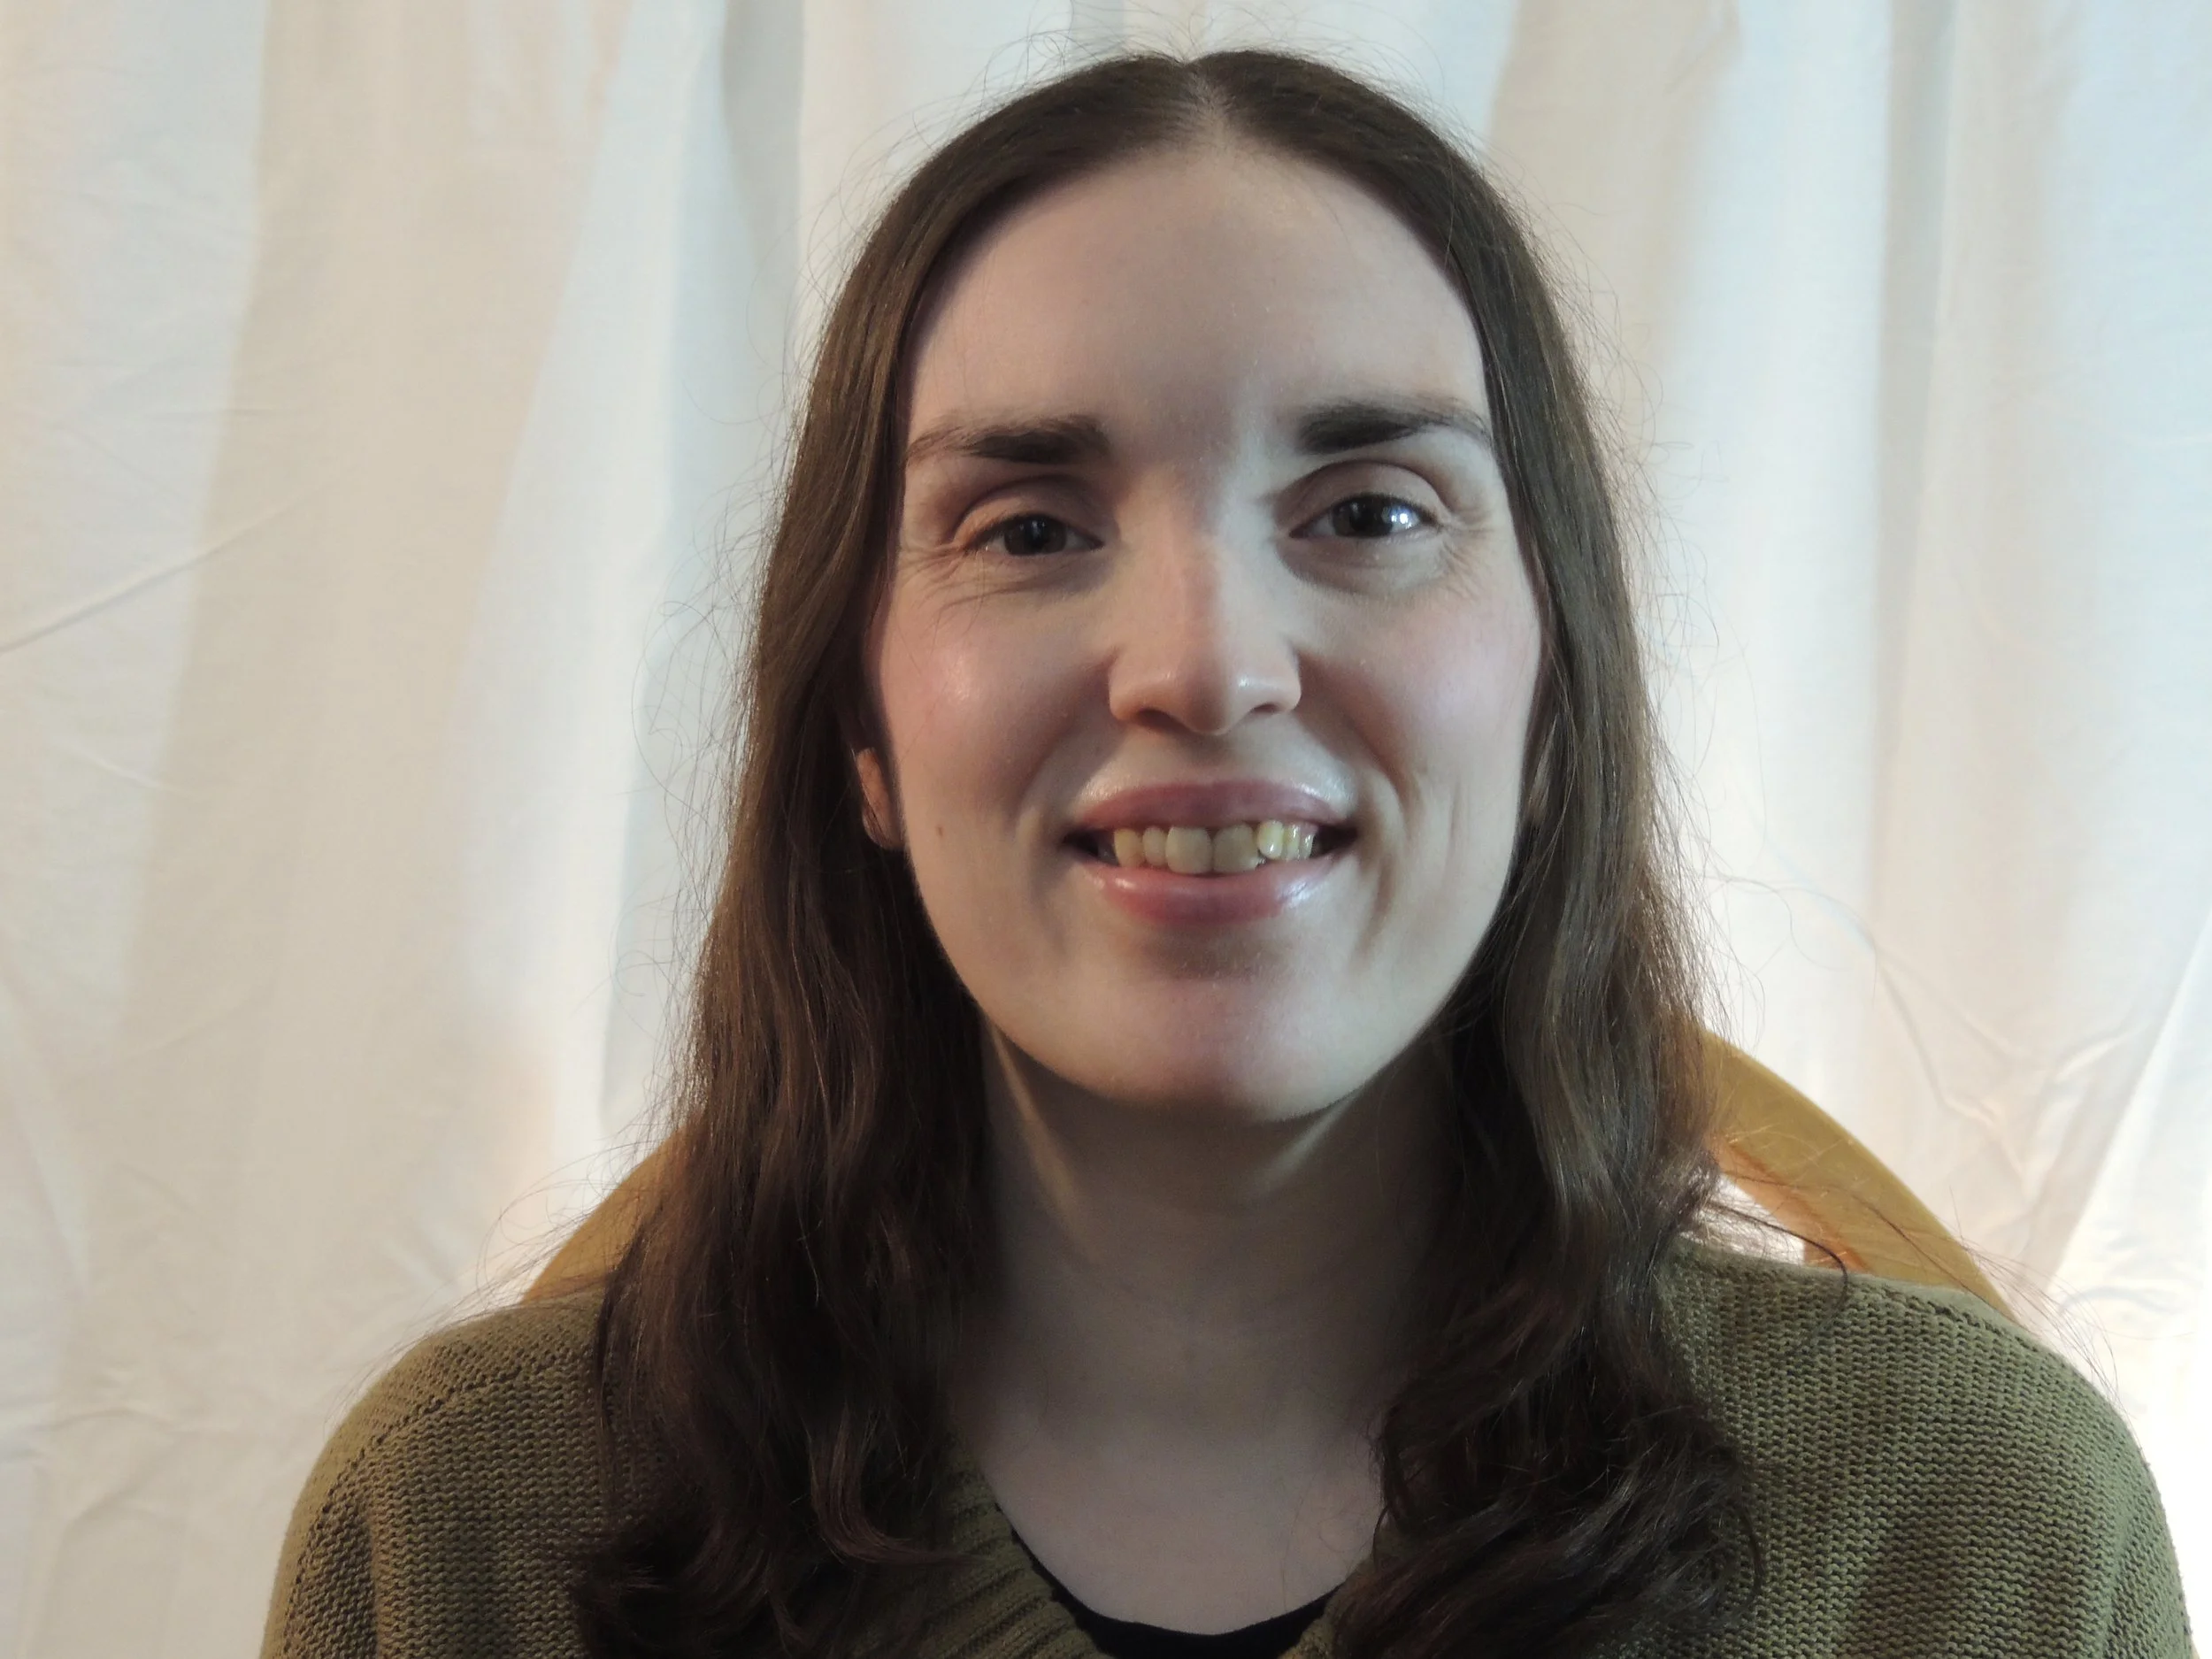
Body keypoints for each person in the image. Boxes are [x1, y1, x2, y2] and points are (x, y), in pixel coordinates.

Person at [260, 48, 2192, 1659]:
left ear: (1550, 703)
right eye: (1025, 528)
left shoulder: (1981, 1542)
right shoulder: (455, 1548)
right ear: (856, 722)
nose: (1201, 661)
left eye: (1364, 508)